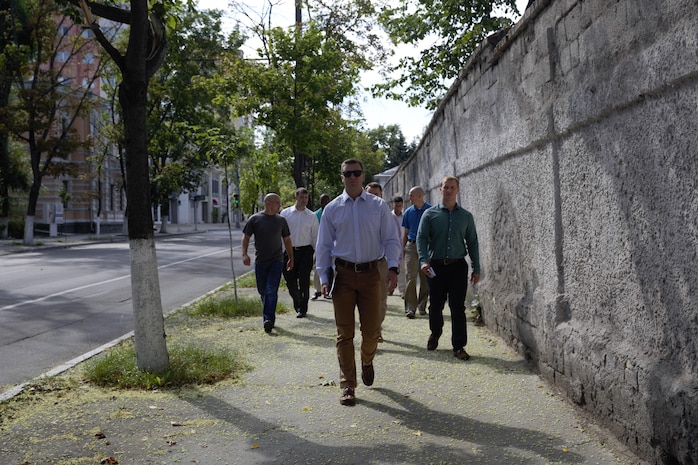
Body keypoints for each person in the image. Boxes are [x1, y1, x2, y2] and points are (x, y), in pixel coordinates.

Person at [315, 159, 401, 406]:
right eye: (347, 174)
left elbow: (391, 239)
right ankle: (347, 385)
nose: (352, 177)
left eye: (356, 173)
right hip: (342, 276)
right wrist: (324, 277)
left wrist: (393, 268)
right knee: (344, 334)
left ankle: (366, 359)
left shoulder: (378, 206)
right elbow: (323, 246)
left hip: (371, 274)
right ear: (341, 177)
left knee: (372, 331)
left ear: (363, 176)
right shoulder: (332, 209)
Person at [416, 176, 480, 360]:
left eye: (452, 187)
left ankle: (459, 346)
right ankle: (435, 332)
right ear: (440, 190)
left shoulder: (466, 217)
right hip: (436, 266)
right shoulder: (430, 215)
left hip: (458, 267)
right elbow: (421, 238)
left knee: (457, 307)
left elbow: (473, 243)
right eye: (446, 187)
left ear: (458, 190)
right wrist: (423, 260)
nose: (449, 190)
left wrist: (476, 268)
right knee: (435, 305)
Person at [241, 193, 294, 334]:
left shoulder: (281, 220)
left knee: (271, 290)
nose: (279, 206)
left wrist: (291, 257)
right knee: (263, 291)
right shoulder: (255, 219)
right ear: (269, 203)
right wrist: (244, 254)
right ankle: (269, 316)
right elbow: (246, 238)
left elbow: (287, 240)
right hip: (260, 262)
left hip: (276, 261)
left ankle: (268, 319)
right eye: (278, 203)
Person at [281, 187, 319, 318]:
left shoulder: (312, 216)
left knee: (304, 280)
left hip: (305, 251)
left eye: (306, 197)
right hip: (289, 250)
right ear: (295, 197)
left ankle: (303, 308)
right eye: (301, 197)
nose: (304, 200)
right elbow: (281, 235)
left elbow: (315, 236)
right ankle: (297, 301)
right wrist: (282, 252)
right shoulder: (285, 214)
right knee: (289, 279)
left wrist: (316, 254)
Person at [401, 186, 431, 318]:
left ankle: (422, 306)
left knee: (425, 277)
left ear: (420, 196)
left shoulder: (431, 211)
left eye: (411, 195)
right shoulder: (408, 212)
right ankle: (410, 308)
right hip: (411, 246)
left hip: (426, 247)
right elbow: (406, 232)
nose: (409, 198)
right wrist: (403, 248)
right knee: (410, 276)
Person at [312, 194, 331, 301]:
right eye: (322, 201)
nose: (324, 203)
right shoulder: (315, 215)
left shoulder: (332, 212)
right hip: (319, 245)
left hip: (331, 245)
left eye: (326, 201)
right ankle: (317, 290)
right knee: (317, 268)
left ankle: (327, 290)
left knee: (331, 268)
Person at [391, 196, 406, 297]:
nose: (398, 208)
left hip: (402, 244)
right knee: (391, 267)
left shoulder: (405, 217)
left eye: (400, 206)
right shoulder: (389, 216)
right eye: (396, 206)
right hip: (392, 245)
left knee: (402, 269)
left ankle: (402, 290)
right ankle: (390, 288)